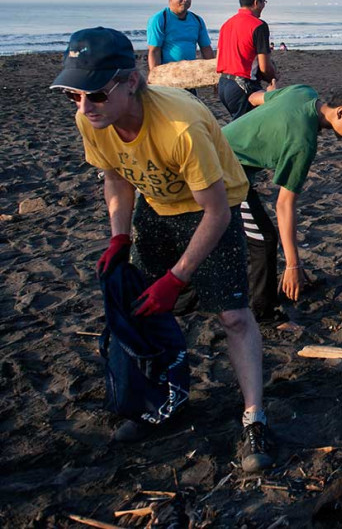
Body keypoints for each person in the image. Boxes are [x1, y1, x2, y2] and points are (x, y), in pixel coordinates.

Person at [51, 27, 272, 471]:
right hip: (156, 205)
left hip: (215, 206)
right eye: (73, 95)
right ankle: (163, 402)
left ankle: (254, 418)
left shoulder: (180, 126)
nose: (84, 107)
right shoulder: (89, 121)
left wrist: (178, 276)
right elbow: (115, 176)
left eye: (94, 94)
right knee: (145, 313)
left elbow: (217, 214)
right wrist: (120, 235)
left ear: (131, 81)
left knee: (232, 315)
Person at [222, 83, 342, 324]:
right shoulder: (303, 142)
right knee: (264, 239)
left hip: (219, 148)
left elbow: (254, 98)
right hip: (222, 171)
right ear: (341, 112)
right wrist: (293, 265)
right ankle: (262, 315)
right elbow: (284, 204)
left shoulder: (303, 92)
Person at [217, 0, 277, 120]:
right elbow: (264, 67)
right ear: (256, 2)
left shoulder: (226, 24)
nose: (264, 6)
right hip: (242, 85)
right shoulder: (259, 26)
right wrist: (273, 77)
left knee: (239, 124)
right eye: (264, 1)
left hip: (224, 84)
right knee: (253, 127)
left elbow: (220, 57)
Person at [146, 0, 214, 97]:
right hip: (168, 79)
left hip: (190, 78)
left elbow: (206, 48)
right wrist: (154, 78)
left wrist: (214, 75)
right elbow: (154, 51)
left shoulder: (197, 20)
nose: (185, 0)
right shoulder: (160, 19)